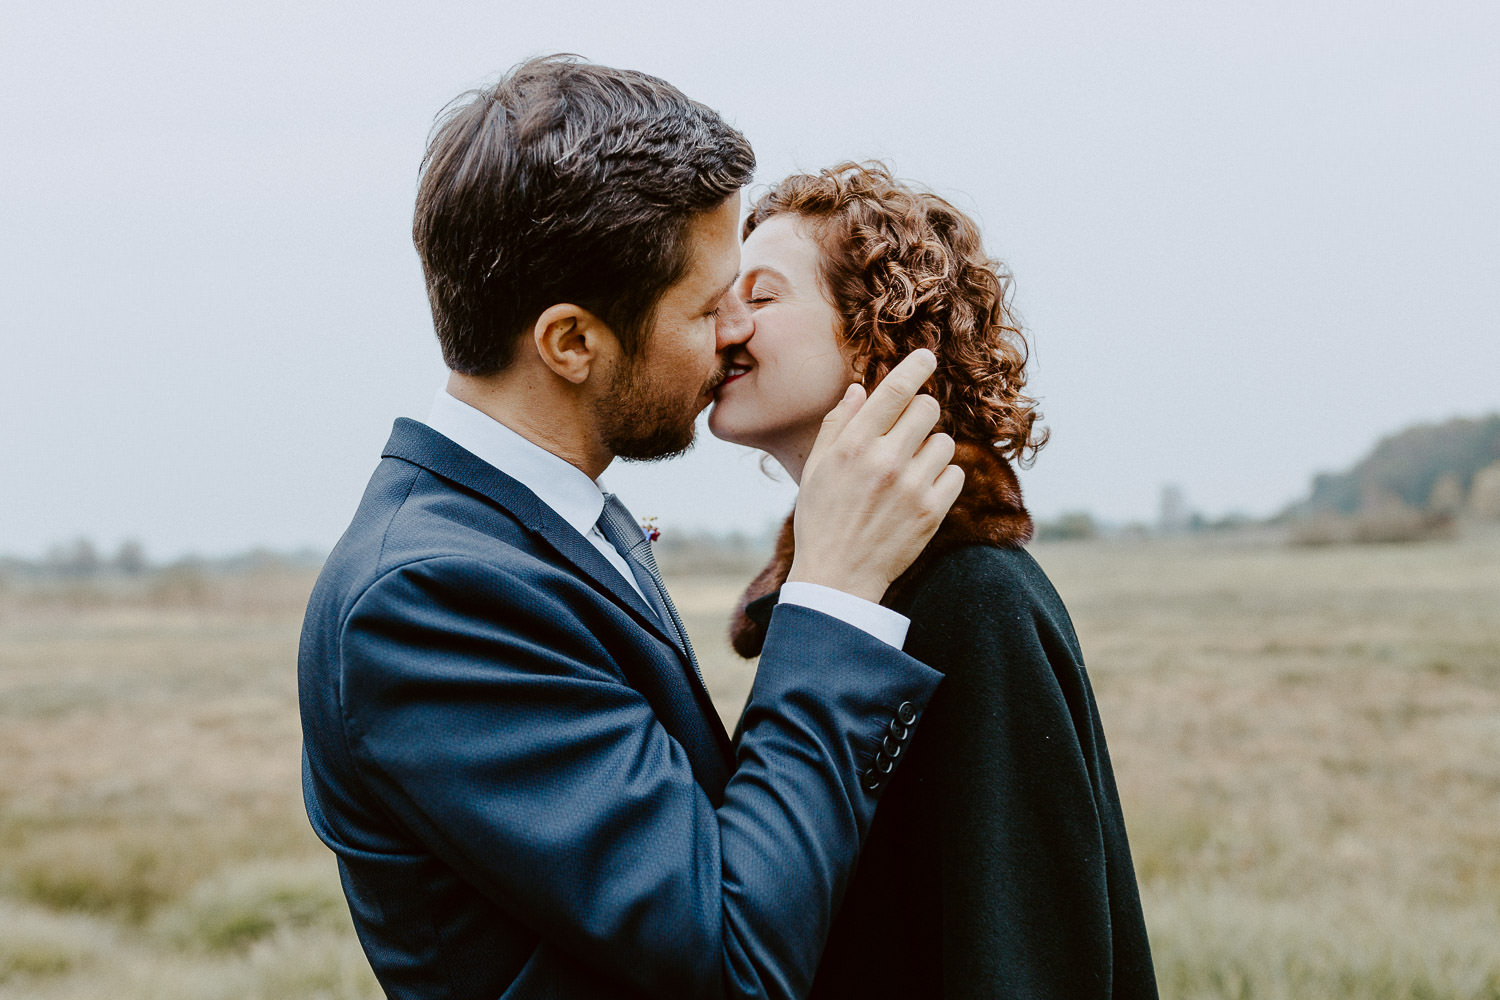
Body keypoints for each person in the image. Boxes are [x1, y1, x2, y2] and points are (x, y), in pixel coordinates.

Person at [298, 59, 964, 1000]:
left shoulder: (553, 522)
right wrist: (832, 599)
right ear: (572, 342)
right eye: (704, 307)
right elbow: (733, 962)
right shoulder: (427, 597)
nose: (735, 333)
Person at [711, 162, 1159, 998]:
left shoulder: (976, 599)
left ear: (880, 328)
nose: (720, 323)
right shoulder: (841, 600)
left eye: (762, 297)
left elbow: (1026, 959)